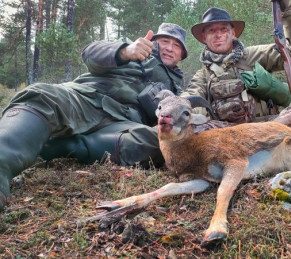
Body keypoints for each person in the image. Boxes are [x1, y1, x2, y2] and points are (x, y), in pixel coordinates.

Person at [0, 23, 188, 209]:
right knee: (42, 96)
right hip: (87, 99)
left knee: (161, 142)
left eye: (177, 45)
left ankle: (63, 147)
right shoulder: (133, 48)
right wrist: (126, 52)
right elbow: (90, 52)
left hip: (122, 125)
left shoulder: (177, 87)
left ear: (182, 55)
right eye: (165, 41)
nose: (170, 48)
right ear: (154, 42)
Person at [183, 0, 291, 133]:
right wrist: (175, 106)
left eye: (223, 29)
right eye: (212, 31)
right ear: (204, 38)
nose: (218, 35)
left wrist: (288, 10)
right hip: (228, 137)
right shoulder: (203, 75)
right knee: (190, 124)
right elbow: (190, 96)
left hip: (269, 128)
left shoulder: (253, 55)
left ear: (233, 33)